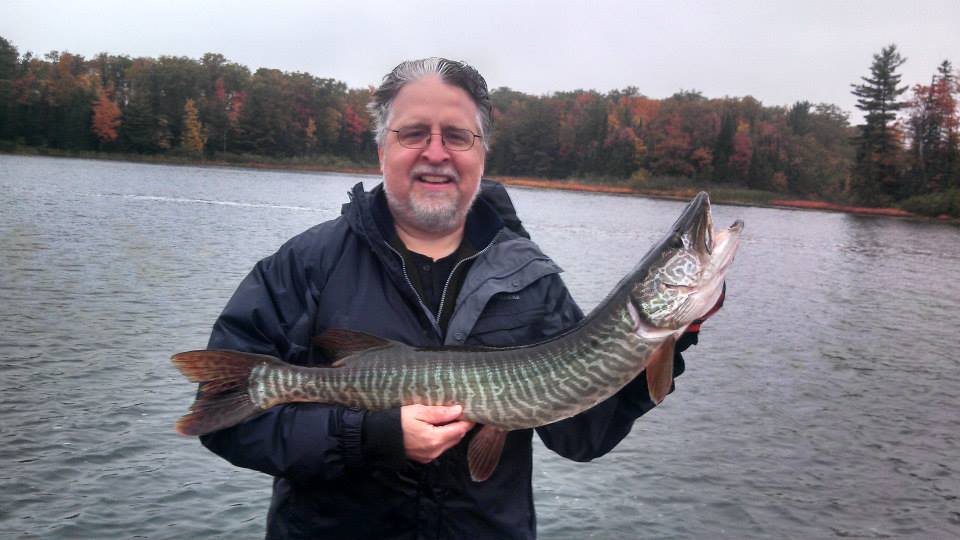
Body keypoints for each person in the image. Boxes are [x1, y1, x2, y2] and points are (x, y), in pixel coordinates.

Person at [199, 57, 708, 540]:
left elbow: (583, 434)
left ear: (481, 154)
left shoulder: (530, 279)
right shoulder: (305, 265)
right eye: (414, 133)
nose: (436, 153)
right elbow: (230, 423)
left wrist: (675, 337)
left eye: (458, 137)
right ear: (382, 150)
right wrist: (368, 437)